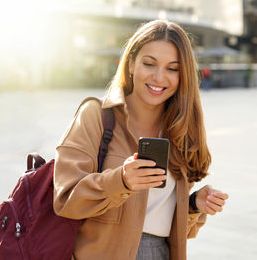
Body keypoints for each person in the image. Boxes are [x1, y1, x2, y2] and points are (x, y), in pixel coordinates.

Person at [53, 20, 228, 260]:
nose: (159, 77)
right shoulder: (96, 115)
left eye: (173, 68)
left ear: (183, 75)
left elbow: (167, 226)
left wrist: (194, 205)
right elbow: (66, 200)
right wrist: (122, 180)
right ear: (132, 63)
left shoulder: (181, 131)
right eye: (149, 63)